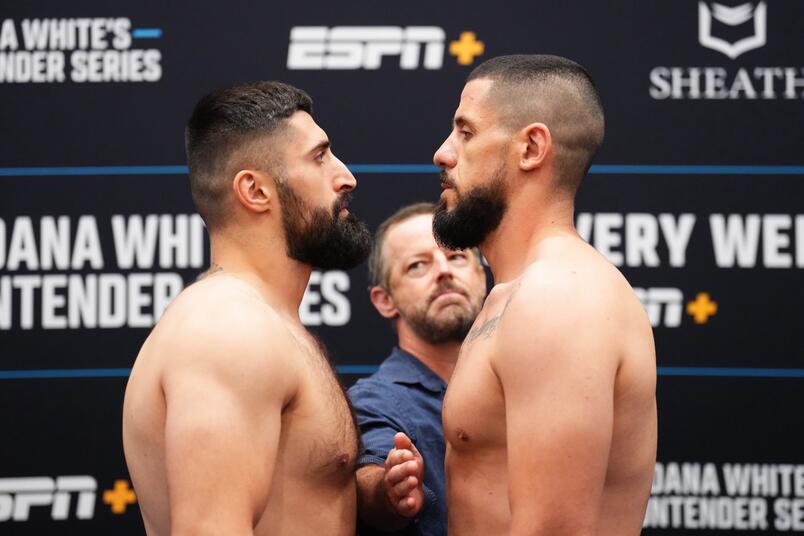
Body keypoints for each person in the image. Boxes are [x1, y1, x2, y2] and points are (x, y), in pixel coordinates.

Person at [122, 81, 371, 536]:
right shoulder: (228, 329)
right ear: (255, 191)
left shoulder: (262, 321)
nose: (346, 176)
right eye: (319, 157)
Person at [431, 55, 657, 535]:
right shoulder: (514, 294)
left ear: (532, 147)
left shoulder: (558, 297)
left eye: (466, 133)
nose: (443, 153)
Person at [348, 203, 487, 535]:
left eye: (456, 257)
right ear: (385, 300)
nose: (444, 271)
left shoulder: (524, 384)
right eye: (418, 265)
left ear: (482, 277)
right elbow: (373, 469)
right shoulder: (372, 400)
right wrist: (389, 487)